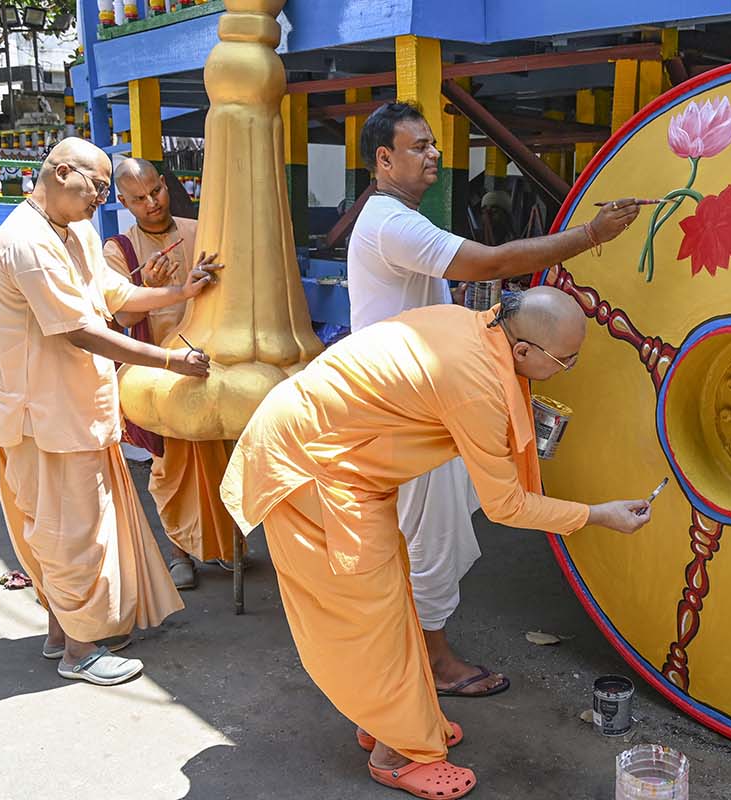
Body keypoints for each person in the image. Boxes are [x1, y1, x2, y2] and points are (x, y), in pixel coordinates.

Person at [220, 287, 652, 797]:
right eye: (566, 360)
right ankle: (396, 754)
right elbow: (506, 506)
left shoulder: (476, 324)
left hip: (343, 457)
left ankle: (394, 719)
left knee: (391, 598)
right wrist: (597, 515)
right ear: (522, 351)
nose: (569, 369)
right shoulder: (475, 385)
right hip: (315, 465)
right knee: (366, 613)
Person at [347, 101, 641, 697]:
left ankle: (407, 657)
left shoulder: (395, 218)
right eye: (420, 146)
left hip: (414, 401)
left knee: (429, 532)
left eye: (433, 144)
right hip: (408, 409)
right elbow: (494, 261)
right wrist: (590, 235)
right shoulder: (390, 223)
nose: (434, 155)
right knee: (431, 539)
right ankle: (428, 665)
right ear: (384, 159)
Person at [0, 138, 221, 685]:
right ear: (61, 172)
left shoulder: (75, 231)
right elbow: (80, 330)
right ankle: (80, 652)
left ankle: (61, 631)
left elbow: (112, 294)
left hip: (74, 412)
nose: (102, 198)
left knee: (67, 529)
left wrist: (181, 291)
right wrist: (170, 360)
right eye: (97, 187)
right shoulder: (27, 242)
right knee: (71, 535)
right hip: (43, 419)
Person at [102, 156, 236, 590]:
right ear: (124, 202)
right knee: (169, 470)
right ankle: (180, 553)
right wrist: (149, 288)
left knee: (219, 458)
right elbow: (121, 318)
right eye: (138, 199)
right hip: (156, 373)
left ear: (165, 184)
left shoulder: (197, 231)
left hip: (204, 363)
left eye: (155, 192)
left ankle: (223, 547)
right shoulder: (118, 251)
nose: (151, 203)